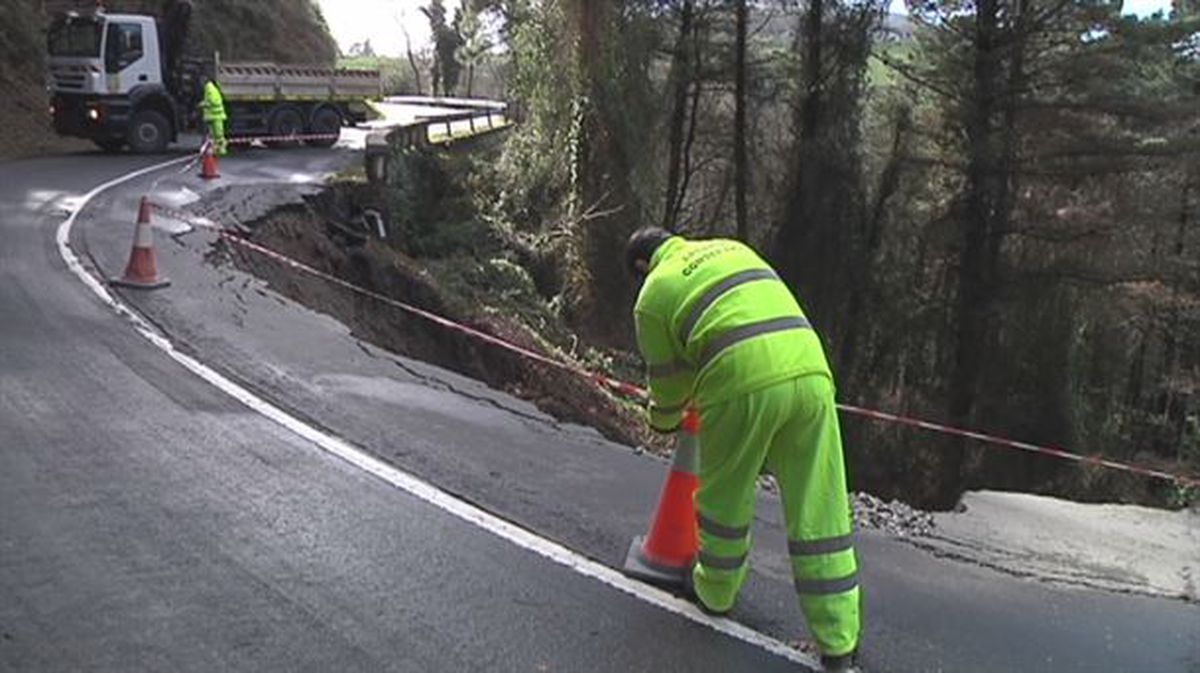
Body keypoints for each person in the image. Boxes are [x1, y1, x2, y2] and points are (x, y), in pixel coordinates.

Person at [626, 226, 861, 672]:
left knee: (724, 496)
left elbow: (668, 385)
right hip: (812, 371)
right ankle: (839, 638)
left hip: (741, 378)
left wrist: (661, 422)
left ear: (642, 266)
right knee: (822, 509)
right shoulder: (728, 248)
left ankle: (714, 591)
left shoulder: (654, 293)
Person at [200, 77, 228, 156]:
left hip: (215, 115)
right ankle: (217, 149)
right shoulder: (210, 88)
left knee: (218, 134)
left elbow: (213, 102)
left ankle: (221, 150)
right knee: (215, 134)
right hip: (214, 115)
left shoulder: (209, 89)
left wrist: (203, 104)